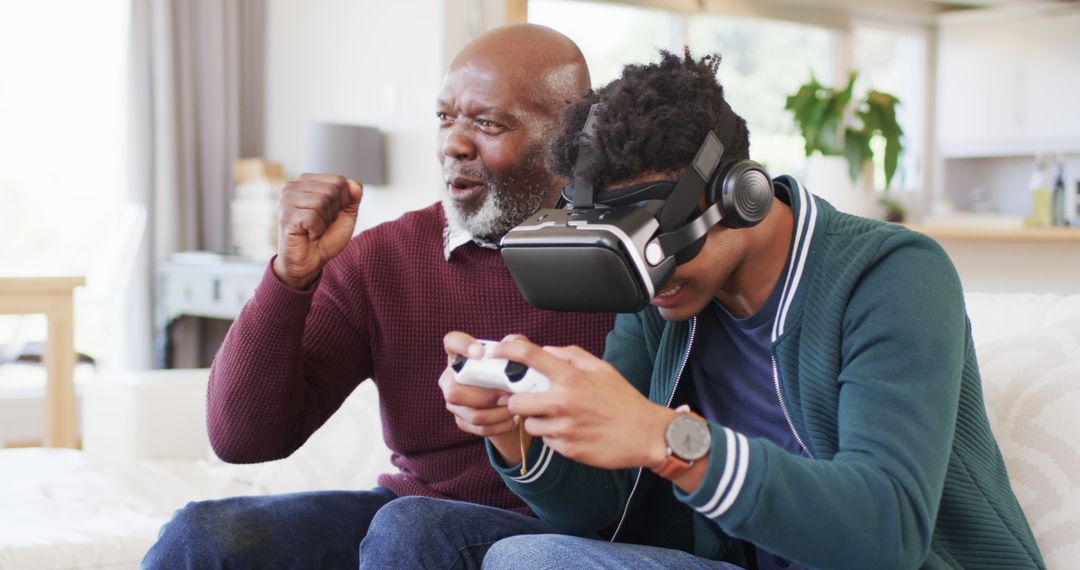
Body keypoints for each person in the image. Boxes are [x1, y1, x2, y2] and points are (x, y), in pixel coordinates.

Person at [383, 49, 1043, 569]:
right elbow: (599, 508)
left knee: (536, 560)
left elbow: (888, 532)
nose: (646, 274)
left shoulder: (892, 274)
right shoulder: (666, 299)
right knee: (415, 530)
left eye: (653, 242)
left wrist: (664, 437)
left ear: (741, 195)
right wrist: (515, 435)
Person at [142, 24, 614, 569]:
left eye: (487, 123)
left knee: (411, 526)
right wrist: (288, 279)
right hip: (412, 523)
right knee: (201, 536)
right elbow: (243, 441)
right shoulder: (383, 258)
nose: (453, 144)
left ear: (569, 139)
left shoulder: (624, 257)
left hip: (569, 535)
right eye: (445, 117)